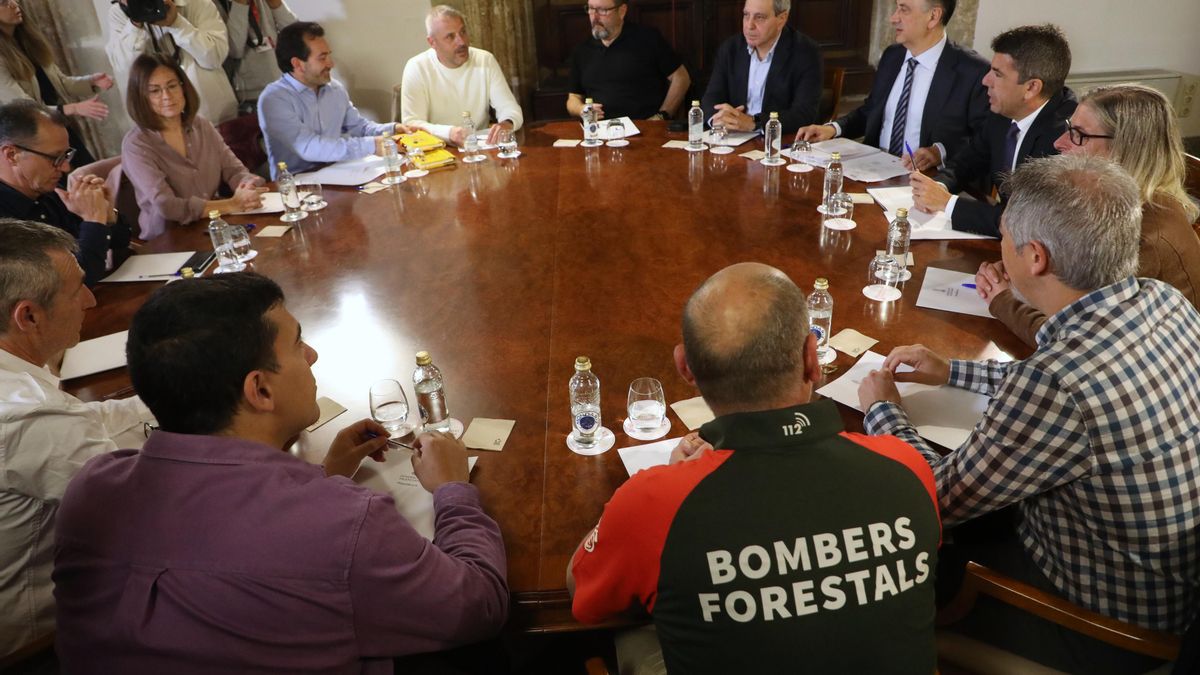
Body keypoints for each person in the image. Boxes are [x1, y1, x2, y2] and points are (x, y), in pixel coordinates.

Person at [53, 272, 509, 671]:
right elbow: (480, 606)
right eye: (297, 345)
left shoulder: (90, 490)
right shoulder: (345, 524)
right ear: (261, 390)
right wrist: (452, 488)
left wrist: (328, 473)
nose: (311, 356)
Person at [859, 155, 1200, 673]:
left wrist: (883, 409)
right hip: (1170, 587)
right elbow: (1069, 379)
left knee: (878, 562)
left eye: (1003, 237)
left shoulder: (1057, 383)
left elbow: (933, 497)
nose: (1001, 249)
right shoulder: (1161, 300)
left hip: (1107, 625)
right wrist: (953, 372)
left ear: (1035, 257)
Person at [569, 262, 941, 674]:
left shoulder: (652, 503)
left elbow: (583, 594)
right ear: (812, 359)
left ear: (685, 368)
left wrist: (664, 482)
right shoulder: (908, 465)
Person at [0, 220, 154, 660]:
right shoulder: (29, 415)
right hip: (40, 646)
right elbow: (148, 512)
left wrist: (178, 396)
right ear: (28, 315)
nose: (90, 301)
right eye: (78, 290)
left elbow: (85, 421)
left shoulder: (17, 382)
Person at [976, 84, 1200, 346]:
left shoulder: (1143, 238)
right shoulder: (1106, 208)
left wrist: (1003, 301)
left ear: (1126, 149)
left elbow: (1077, 342)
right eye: (1068, 128)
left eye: (1079, 135)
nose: (1059, 143)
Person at [909, 24, 1076, 238]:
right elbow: (969, 160)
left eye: (997, 74)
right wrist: (939, 185)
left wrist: (947, 203)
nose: (985, 80)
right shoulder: (1004, 110)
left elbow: (1028, 221)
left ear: (1031, 88)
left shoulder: (1064, 139)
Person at [796, 0, 988, 171]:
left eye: (903, 10)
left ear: (933, 16)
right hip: (871, 170)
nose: (893, 18)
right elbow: (870, 111)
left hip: (927, 182)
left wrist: (940, 151)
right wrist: (834, 128)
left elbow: (985, 140)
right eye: (896, 8)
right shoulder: (892, 56)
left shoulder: (972, 71)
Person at [121, 54, 266, 240]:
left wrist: (247, 187)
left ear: (183, 87)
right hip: (169, 241)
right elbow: (167, 205)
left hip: (213, 227)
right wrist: (232, 204)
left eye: (172, 86)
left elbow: (234, 170)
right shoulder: (136, 144)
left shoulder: (201, 125)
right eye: (155, 91)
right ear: (141, 98)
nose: (167, 96)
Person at [259, 21, 412, 179]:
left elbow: (359, 128)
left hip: (339, 173)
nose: (331, 63)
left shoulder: (334, 88)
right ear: (297, 64)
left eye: (329, 55)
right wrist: (372, 145)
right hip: (298, 185)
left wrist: (393, 130)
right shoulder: (273, 100)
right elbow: (309, 147)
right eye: (322, 58)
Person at [0, 100, 130, 285]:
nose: (66, 167)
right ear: (12, 154)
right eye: (56, 157)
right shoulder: (5, 224)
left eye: (67, 155)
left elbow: (121, 240)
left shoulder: (48, 191)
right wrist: (94, 219)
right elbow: (73, 281)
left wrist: (107, 215)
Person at [0, 0, 113, 168]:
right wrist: (73, 108)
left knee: (90, 174)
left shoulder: (27, 41)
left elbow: (59, 82)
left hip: (56, 126)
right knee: (72, 181)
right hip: (34, 139)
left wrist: (91, 82)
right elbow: (21, 106)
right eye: (4, 2)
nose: (15, 4)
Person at [401, 5, 523, 147]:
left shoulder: (485, 60)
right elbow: (411, 124)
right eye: (450, 36)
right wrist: (449, 133)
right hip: (439, 151)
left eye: (463, 32)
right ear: (432, 42)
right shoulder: (417, 67)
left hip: (480, 149)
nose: (462, 42)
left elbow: (510, 108)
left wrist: (506, 124)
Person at [700, 0, 822, 135]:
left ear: (781, 19)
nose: (749, 25)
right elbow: (711, 97)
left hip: (776, 142)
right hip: (731, 137)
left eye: (759, 17)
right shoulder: (730, 48)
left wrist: (754, 123)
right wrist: (717, 120)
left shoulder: (806, 52)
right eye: (746, 15)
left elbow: (804, 113)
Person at [107, 0, 239, 125]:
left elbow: (214, 58)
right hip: (163, 124)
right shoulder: (119, 14)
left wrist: (177, 23)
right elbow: (126, 68)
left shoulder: (196, 2)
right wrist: (135, 23)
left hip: (214, 115)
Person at [566, 0, 690, 121]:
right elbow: (573, 98)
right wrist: (581, 109)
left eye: (602, 10)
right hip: (599, 131)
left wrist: (662, 115)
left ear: (622, 11)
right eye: (591, 9)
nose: (595, 16)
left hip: (644, 128)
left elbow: (681, 78)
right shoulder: (582, 50)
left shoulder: (648, 39)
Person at [214, 0, 296, 109]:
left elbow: (296, 37)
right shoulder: (213, 5)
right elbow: (234, 50)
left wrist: (276, 5)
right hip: (251, 97)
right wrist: (240, 4)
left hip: (285, 86)